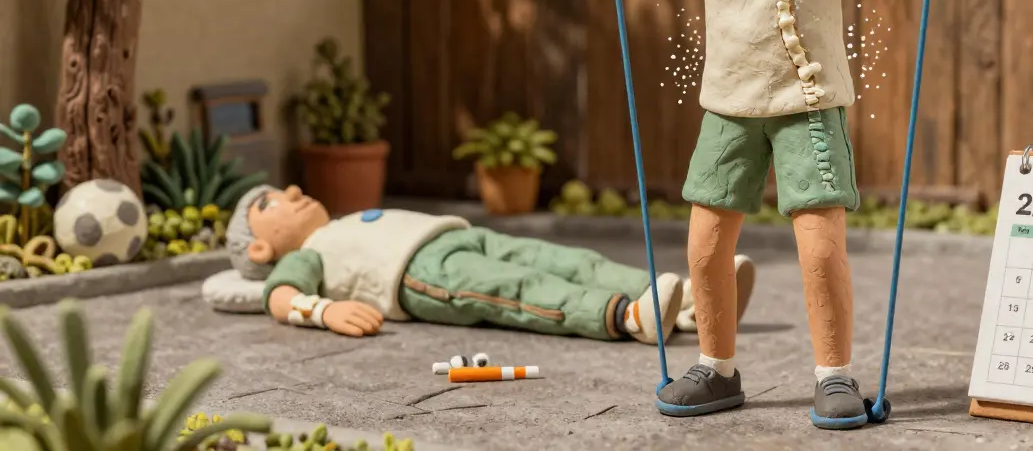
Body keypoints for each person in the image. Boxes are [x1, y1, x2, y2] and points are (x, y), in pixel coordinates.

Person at [588, 0, 951, 428]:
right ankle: (717, 368)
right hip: (728, 108)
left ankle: (834, 377)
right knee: (703, 247)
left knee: (819, 248)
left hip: (809, 105)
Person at [225, 184, 755, 344]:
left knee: (562, 257)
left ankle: (689, 301)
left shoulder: (337, 220)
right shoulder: (307, 255)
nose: (290, 189)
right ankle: (626, 316)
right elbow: (280, 297)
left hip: (459, 237)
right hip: (423, 277)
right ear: (258, 249)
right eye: (268, 203)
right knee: (518, 288)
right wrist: (324, 312)